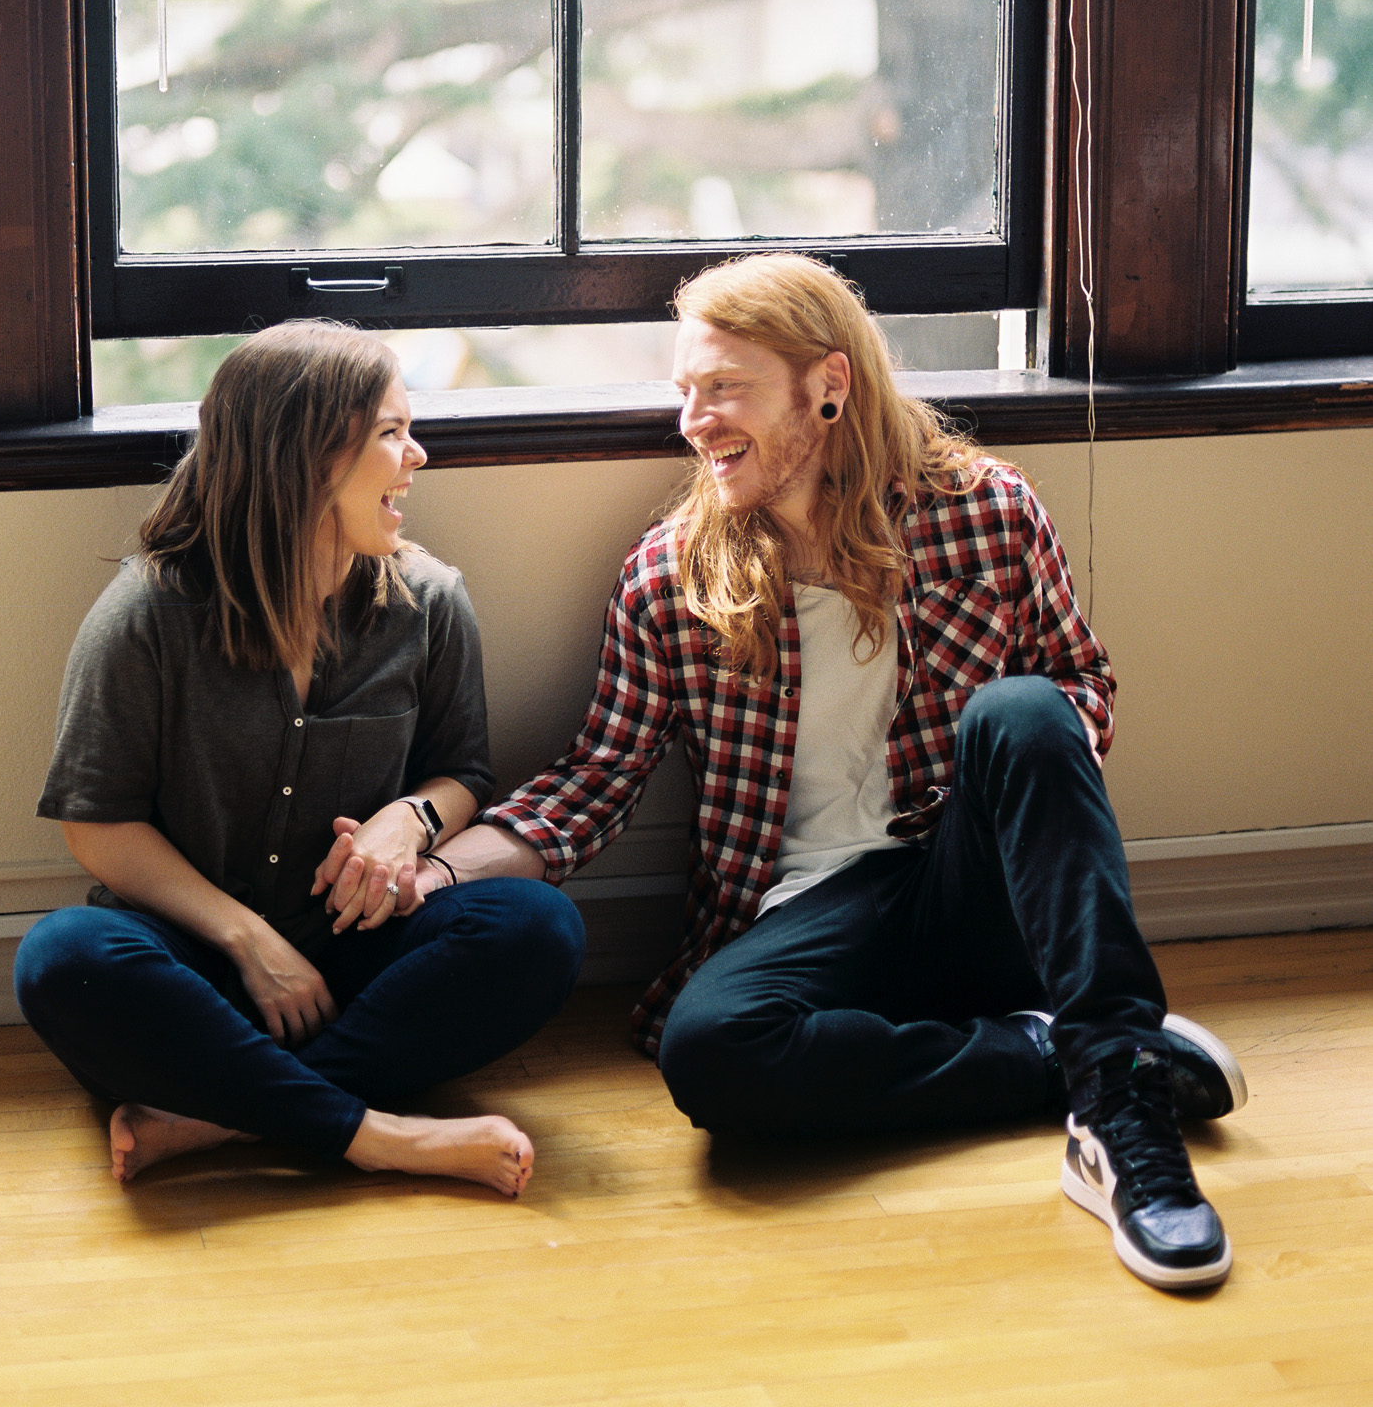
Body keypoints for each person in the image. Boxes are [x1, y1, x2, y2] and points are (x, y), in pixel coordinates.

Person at [415, 254, 1246, 1289]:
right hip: (800, 912)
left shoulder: (987, 511)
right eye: (685, 390)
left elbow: (1081, 679)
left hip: (962, 882)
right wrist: (436, 873)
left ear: (829, 384)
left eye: (723, 387)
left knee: (1028, 709)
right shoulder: (672, 575)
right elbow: (594, 777)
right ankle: (1069, 1054)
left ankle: (1127, 1131)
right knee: (710, 1051)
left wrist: (1029, 769)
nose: (693, 419)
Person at [15, 320, 584, 1196]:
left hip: (362, 960)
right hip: (197, 964)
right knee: (62, 958)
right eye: (391, 433)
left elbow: (464, 776)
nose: (417, 457)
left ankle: (222, 1113)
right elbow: (99, 826)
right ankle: (382, 1134)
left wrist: (410, 820)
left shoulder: (429, 602)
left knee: (540, 930)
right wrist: (249, 943)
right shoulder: (145, 617)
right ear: (309, 456)